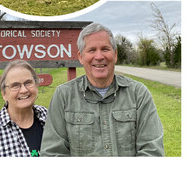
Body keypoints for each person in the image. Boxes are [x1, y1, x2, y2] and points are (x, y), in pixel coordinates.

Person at [40, 22, 165, 157]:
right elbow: (52, 154)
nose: (99, 56)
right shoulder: (63, 96)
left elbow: (152, 152)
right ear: (81, 57)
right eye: (91, 50)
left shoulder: (138, 94)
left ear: (115, 54)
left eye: (105, 49)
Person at [0, 60, 47, 157]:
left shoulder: (48, 116)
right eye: (15, 86)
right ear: (4, 94)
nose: (24, 90)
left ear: (36, 86)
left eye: (28, 83)